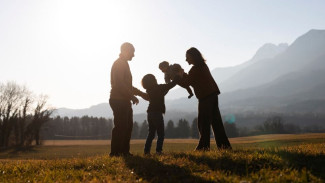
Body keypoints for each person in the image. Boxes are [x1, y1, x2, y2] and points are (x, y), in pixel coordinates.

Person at [181, 47, 231, 150]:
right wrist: (183, 74)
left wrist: (177, 76)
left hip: (205, 97)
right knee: (216, 122)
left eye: (187, 57)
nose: (186, 60)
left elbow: (186, 82)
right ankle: (224, 146)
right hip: (212, 95)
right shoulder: (202, 66)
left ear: (193, 57)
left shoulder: (195, 69)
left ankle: (203, 147)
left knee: (203, 123)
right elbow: (191, 79)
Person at [109, 42, 148, 156]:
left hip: (123, 100)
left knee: (127, 126)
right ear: (126, 51)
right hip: (118, 100)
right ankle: (115, 153)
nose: (133, 55)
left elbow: (127, 86)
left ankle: (124, 152)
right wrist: (131, 96)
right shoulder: (120, 64)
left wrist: (141, 94)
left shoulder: (124, 64)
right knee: (121, 126)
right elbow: (119, 84)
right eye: (132, 52)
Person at [141, 74, 179, 155]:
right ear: (153, 80)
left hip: (150, 112)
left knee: (151, 133)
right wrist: (177, 77)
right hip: (157, 113)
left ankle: (146, 151)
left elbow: (164, 91)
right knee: (161, 133)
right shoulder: (159, 87)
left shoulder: (149, 90)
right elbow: (171, 85)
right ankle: (159, 151)